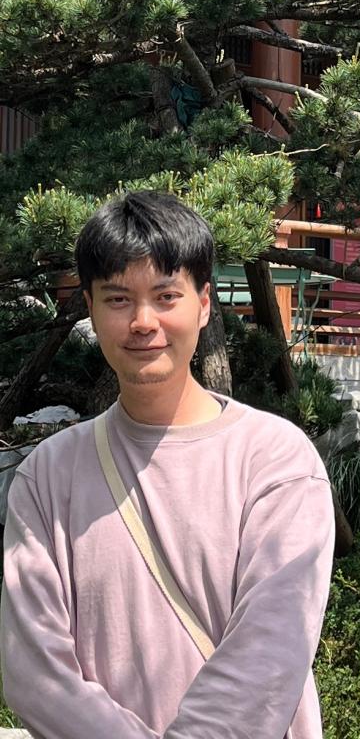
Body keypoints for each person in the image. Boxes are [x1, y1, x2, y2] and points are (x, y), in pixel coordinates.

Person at [0, 190, 335, 739]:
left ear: (204, 303)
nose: (142, 322)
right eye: (117, 299)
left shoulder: (276, 461)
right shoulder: (48, 476)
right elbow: (35, 673)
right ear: (90, 306)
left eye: (166, 295)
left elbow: (271, 649)